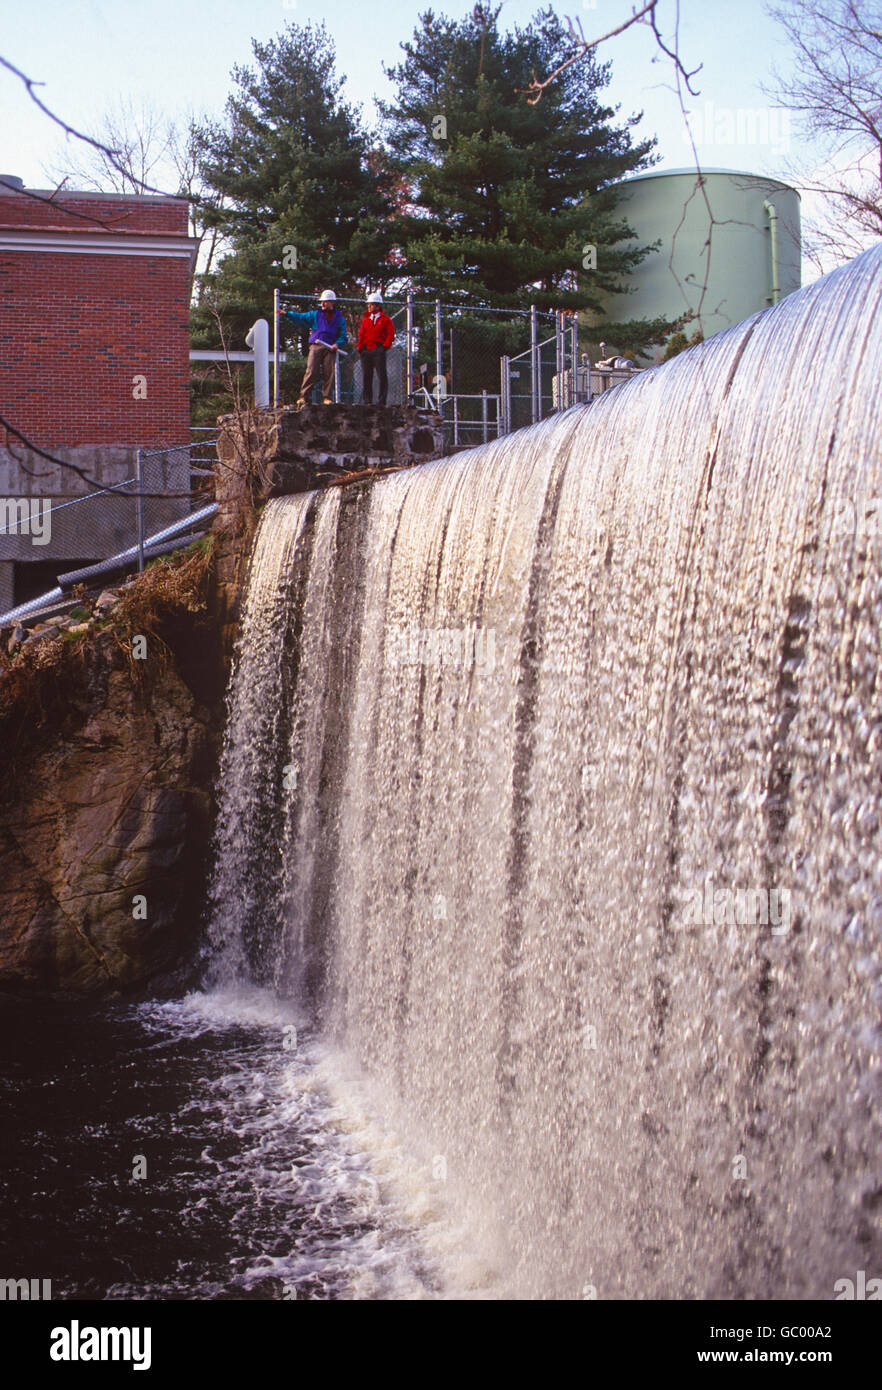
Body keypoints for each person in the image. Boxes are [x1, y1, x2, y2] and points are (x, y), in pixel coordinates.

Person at [279, 289, 348, 408]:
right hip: (316, 345)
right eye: (322, 302)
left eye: (325, 302)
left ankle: (327, 398)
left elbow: (343, 336)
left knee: (329, 372)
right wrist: (287, 314)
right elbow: (301, 317)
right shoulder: (315, 315)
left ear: (331, 302)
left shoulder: (339, 319)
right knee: (311, 371)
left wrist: (337, 344)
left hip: (330, 347)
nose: (322, 304)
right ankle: (303, 397)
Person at [357, 292, 395, 405]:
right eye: (368, 305)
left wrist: (384, 347)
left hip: (379, 350)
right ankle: (367, 400)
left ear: (378, 306)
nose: (368, 307)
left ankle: (381, 400)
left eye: (371, 304)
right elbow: (361, 335)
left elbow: (391, 334)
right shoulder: (366, 320)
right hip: (366, 350)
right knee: (366, 376)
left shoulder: (386, 320)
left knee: (381, 375)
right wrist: (361, 349)